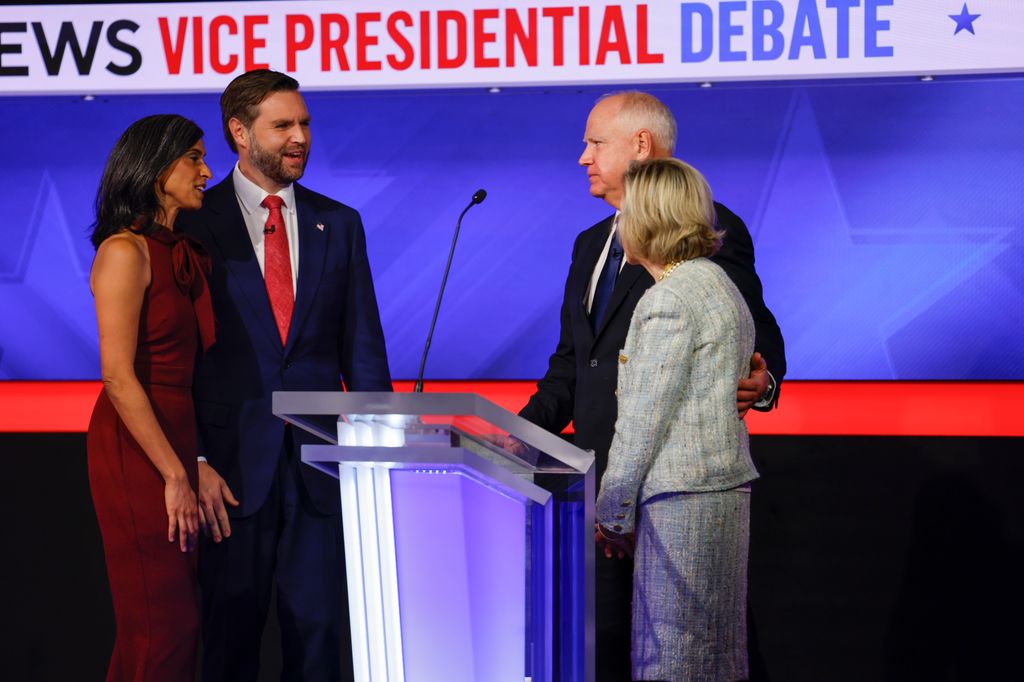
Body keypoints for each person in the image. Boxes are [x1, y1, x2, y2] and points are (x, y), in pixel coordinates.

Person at [518, 91, 786, 679]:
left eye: (594, 142)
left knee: (690, 651)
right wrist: (515, 439)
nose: (582, 156)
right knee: (628, 651)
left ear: (640, 144)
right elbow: (573, 364)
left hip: (664, 492)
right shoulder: (590, 244)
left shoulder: (707, 238)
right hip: (597, 489)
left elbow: (755, 338)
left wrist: (761, 383)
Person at [177, 70, 391, 682]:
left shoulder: (339, 222)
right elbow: (178, 361)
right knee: (229, 641)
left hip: (321, 468)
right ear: (239, 133)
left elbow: (364, 349)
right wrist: (192, 460)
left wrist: (376, 456)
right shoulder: (195, 224)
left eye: (305, 125)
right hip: (229, 470)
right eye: (283, 126)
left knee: (322, 641)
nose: (300, 137)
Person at [596, 157, 758, 680]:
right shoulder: (716, 284)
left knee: (672, 658)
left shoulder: (667, 300)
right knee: (716, 657)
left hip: (682, 502)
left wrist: (610, 511)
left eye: (626, 212)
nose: (618, 223)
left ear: (646, 220)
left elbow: (643, 423)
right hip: (719, 492)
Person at [86, 114, 215, 681]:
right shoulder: (124, 251)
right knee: (161, 623)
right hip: (136, 450)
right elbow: (117, 376)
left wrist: (197, 463)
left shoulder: (180, 251)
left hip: (176, 443)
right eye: (193, 157)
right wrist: (174, 474)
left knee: (170, 623)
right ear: (156, 167)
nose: (207, 171)